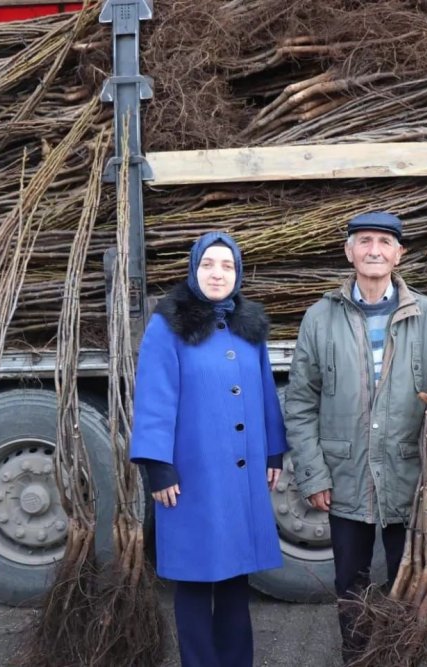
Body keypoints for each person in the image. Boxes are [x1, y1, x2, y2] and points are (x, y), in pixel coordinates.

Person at [283, 211, 427, 664]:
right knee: (350, 585)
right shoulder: (320, 317)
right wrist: (312, 474)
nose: (374, 249)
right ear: (349, 251)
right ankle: (356, 656)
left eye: (385, 242)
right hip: (344, 476)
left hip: (411, 479)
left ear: (399, 254)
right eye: (364, 240)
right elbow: (300, 402)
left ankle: (402, 655)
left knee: (407, 580)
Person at [129, 231, 287, 667]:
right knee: (195, 579)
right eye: (209, 265)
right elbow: (154, 398)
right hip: (192, 478)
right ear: (194, 269)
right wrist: (158, 467)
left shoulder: (249, 324)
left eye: (227, 266)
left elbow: (265, 392)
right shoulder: (168, 324)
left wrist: (273, 451)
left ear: (237, 273)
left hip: (240, 475)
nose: (218, 274)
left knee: (236, 578)